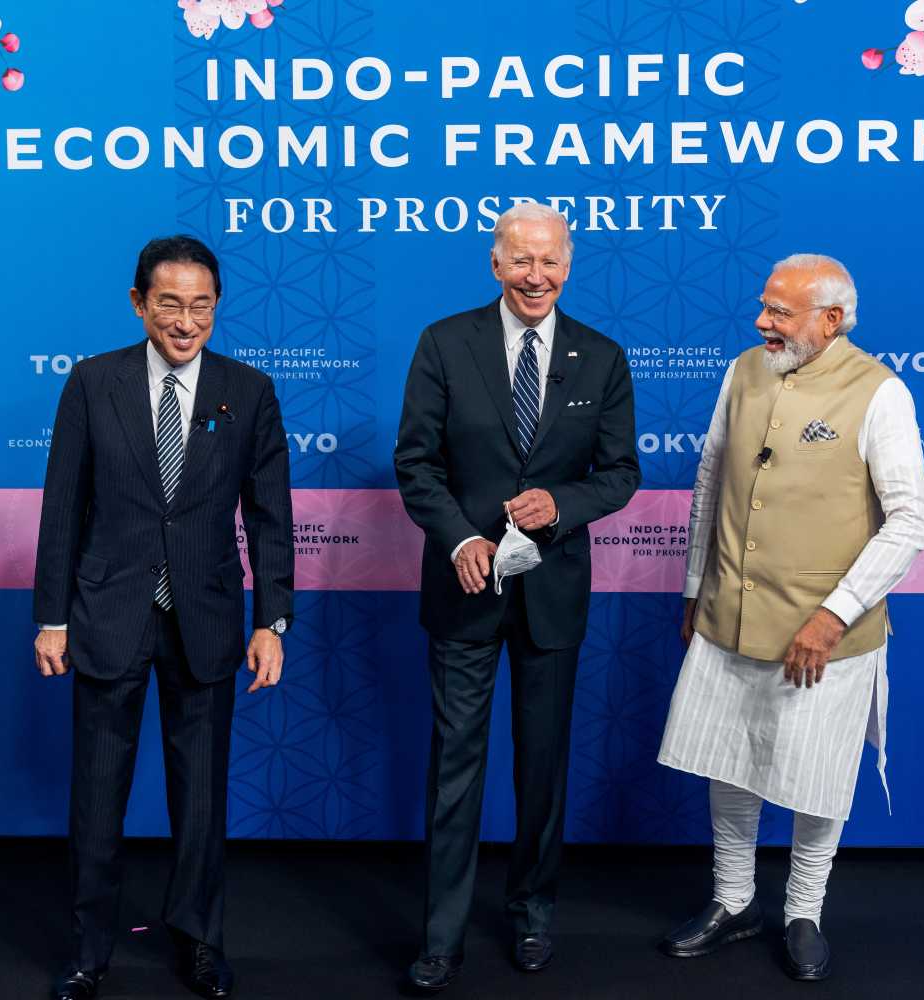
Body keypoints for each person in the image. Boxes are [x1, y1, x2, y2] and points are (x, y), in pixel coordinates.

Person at [32, 235, 294, 1000]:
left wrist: (272, 621)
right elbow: (62, 510)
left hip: (206, 620)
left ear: (217, 306)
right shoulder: (91, 383)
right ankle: (89, 949)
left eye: (202, 305)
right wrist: (53, 618)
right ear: (139, 302)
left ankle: (200, 941)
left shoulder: (248, 391)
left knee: (203, 802)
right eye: (170, 304)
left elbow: (271, 517)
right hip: (108, 615)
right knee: (97, 800)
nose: (186, 321)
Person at [657, 254, 924, 981]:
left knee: (818, 777)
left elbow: (909, 521)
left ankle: (803, 910)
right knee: (727, 759)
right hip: (727, 613)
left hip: (824, 635)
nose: (762, 322)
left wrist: (833, 617)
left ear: (832, 319)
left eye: (781, 311)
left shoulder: (881, 393)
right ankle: (733, 899)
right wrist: (693, 584)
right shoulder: (745, 370)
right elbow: (711, 475)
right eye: (764, 307)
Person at [394, 203, 640, 992]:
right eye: (521, 261)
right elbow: (416, 464)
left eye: (552, 261)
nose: (537, 276)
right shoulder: (444, 343)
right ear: (494, 264)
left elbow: (620, 472)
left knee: (543, 767)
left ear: (569, 264)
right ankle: (442, 935)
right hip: (465, 589)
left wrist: (563, 506)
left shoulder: (600, 357)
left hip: (553, 595)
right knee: (455, 767)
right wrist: (461, 538)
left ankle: (533, 910)